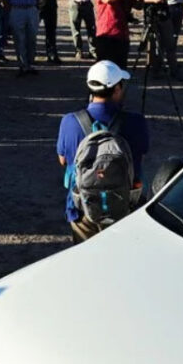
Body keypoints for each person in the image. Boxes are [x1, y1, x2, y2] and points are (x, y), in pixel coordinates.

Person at [56, 60, 149, 242]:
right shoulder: (136, 121)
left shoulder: (70, 121)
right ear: (116, 89)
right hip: (125, 206)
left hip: (83, 207)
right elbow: (141, 155)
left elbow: (63, 160)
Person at [137, 0, 183, 79]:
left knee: (170, 44)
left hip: (164, 14)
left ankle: (174, 70)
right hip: (150, 16)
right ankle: (154, 70)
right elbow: (138, 0)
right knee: (152, 46)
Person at [94, 0, 139, 69]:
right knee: (104, 68)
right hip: (106, 35)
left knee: (121, 68)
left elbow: (138, 5)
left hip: (121, 36)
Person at [3, 0, 41, 76]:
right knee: (19, 39)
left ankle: (30, 64)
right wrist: (9, 15)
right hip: (17, 10)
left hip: (31, 9)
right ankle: (22, 65)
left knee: (32, 38)